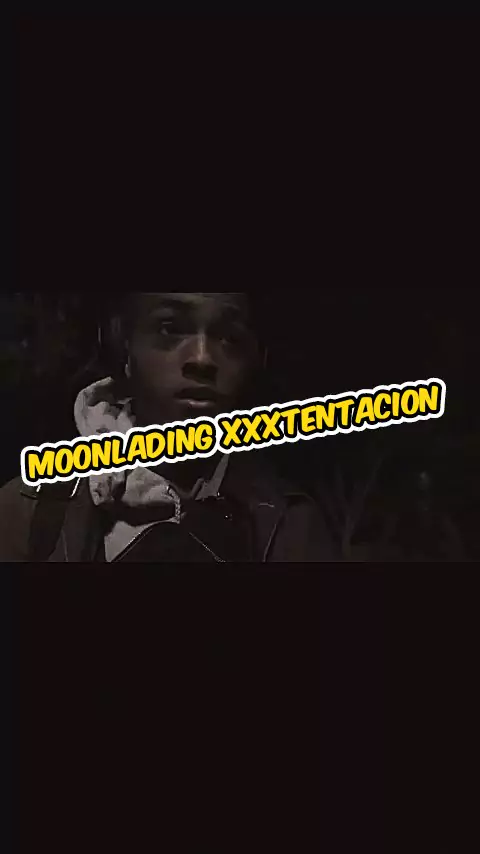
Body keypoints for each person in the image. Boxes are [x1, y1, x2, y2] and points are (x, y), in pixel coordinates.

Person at [0, 292, 337, 563]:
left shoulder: (290, 526)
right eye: (169, 328)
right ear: (123, 344)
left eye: (229, 337)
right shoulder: (30, 509)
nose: (202, 358)